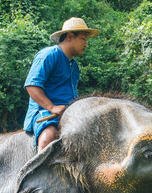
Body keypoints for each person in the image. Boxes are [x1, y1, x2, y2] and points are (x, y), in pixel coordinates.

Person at [23, 17, 99, 151]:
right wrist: (52, 107)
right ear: (69, 37)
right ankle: (40, 171)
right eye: (83, 39)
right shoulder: (48, 55)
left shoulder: (74, 66)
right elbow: (31, 86)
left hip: (68, 113)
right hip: (44, 112)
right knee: (49, 136)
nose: (86, 44)